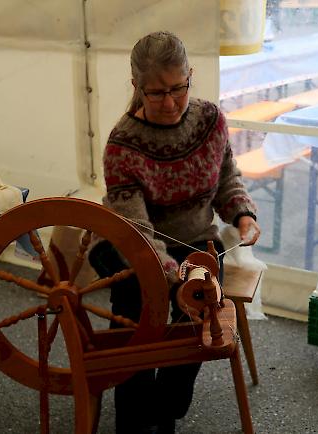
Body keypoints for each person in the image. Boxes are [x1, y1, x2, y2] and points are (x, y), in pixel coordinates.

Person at [89, 30, 260, 434]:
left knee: (201, 318)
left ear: (190, 76)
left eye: (178, 88)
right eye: (156, 93)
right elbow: (137, 230)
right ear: (136, 87)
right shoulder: (123, 144)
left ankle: (164, 410)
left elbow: (225, 178)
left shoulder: (211, 120)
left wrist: (241, 214)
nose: (169, 102)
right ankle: (131, 421)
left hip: (194, 237)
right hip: (128, 240)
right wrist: (173, 277)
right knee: (136, 309)